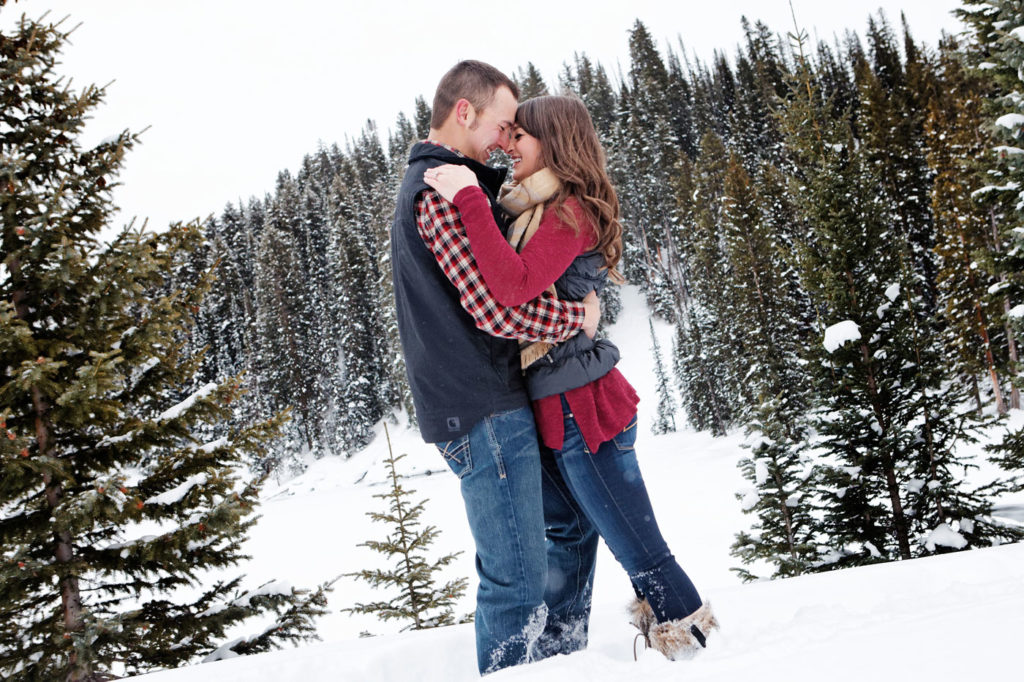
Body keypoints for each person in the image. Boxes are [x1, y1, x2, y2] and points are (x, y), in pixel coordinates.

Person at [424, 95, 719, 661]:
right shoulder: (531, 208)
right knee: (587, 536)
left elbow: (512, 286)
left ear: (553, 143)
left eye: (521, 138)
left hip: (587, 406)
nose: (509, 146)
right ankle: (572, 659)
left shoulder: (569, 212)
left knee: (639, 549)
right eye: (507, 136)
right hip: (557, 404)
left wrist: (467, 198)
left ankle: (697, 652)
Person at [390, 61, 602, 675]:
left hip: (495, 399)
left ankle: (560, 663)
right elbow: (492, 308)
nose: (507, 140)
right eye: (503, 124)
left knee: (573, 527)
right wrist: (574, 320)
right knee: (514, 577)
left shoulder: (466, 184)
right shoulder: (440, 188)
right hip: (481, 406)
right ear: (465, 112)